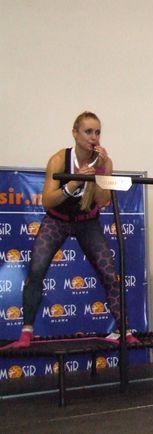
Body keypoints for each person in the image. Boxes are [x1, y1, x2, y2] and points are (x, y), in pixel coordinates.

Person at [2, 111, 139, 349]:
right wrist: (74, 181)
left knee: (109, 273)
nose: (94, 137)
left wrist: (101, 171)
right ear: (75, 133)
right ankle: (26, 332)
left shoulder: (104, 162)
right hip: (58, 219)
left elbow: (102, 200)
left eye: (98, 132)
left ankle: (124, 329)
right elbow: (48, 201)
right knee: (36, 270)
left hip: (87, 221)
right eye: (88, 131)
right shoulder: (59, 159)